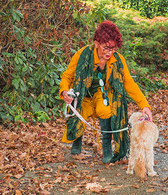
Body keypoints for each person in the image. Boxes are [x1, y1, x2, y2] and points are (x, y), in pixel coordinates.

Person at [59, 20, 152, 163]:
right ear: (97, 43)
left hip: (103, 95)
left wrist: (144, 105)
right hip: (82, 93)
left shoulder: (118, 60)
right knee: (80, 110)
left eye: (113, 49)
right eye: (106, 48)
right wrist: (65, 91)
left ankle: (107, 146)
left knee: (105, 109)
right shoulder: (82, 54)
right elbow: (67, 76)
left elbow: (129, 83)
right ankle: (76, 142)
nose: (110, 52)